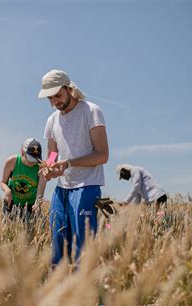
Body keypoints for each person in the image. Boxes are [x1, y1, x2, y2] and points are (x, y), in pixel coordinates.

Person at [39, 69, 109, 266]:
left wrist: (69, 163)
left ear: (69, 89)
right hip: (61, 190)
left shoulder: (91, 111)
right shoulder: (52, 120)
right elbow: (52, 155)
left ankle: (84, 293)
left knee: (83, 248)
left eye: (58, 96)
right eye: (50, 98)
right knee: (58, 245)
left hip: (86, 186)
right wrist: (49, 168)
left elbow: (102, 155)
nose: (55, 102)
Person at [0, 138, 47, 220]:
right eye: (30, 158)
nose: (32, 162)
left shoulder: (41, 168)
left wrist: (37, 204)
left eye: (35, 159)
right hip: (11, 202)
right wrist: (7, 190)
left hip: (29, 205)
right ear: (22, 152)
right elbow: (3, 182)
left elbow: (40, 192)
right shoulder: (12, 161)